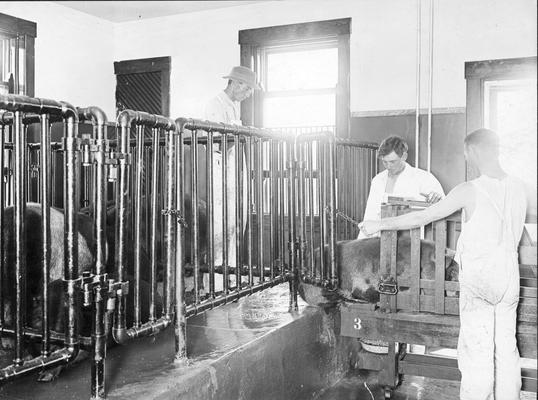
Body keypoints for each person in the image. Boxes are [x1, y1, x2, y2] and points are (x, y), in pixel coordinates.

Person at [359, 128, 532, 400]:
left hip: (481, 278)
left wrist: (378, 224)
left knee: (477, 352)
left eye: (466, 152)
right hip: (509, 277)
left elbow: (422, 218)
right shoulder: (520, 187)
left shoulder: (469, 189)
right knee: (507, 349)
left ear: (472, 152)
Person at [203, 66, 260, 276]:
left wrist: (243, 134)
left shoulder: (233, 106)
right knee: (222, 225)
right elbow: (217, 144)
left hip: (236, 171)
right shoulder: (215, 105)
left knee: (237, 223)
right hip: (222, 173)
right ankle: (218, 279)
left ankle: (231, 274)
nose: (248, 95)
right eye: (247, 90)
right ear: (236, 83)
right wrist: (241, 134)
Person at [358, 135, 444, 239]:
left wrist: (437, 199)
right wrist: (362, 239)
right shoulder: (378, 180)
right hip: (378, 240)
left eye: (392, 162)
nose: (388, 166)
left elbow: (443, 206)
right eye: (385, 162)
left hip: (412, 242)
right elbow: (370, 214)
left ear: (404, 156)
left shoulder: (423, 178)